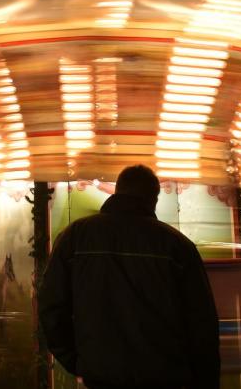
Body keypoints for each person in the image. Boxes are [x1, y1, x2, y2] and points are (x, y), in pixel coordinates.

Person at [38, 165, 220, 388]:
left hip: (101, 375)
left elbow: (51, 306)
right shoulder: (178, 246)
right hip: (165, 376)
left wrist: (78, 362)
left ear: (118, 191)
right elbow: (202, 324)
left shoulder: (75, 237)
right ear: (153, 199)